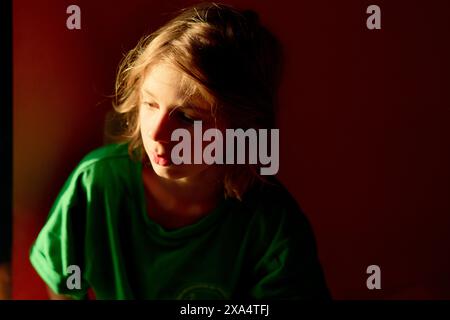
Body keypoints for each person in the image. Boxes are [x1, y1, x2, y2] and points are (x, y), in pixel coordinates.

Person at [29, 2, 331, 300]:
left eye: (187, 117)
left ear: (243, 127)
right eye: (150, 104)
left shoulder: (273, 226)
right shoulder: (97, 185)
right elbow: (63, 286)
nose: (157, 133)